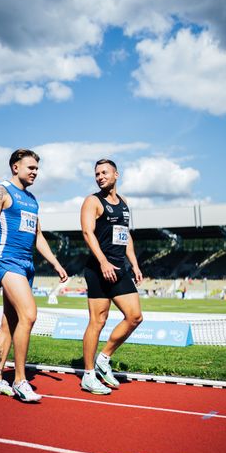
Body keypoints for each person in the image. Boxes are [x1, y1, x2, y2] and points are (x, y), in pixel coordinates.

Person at [0, 149, 68, 402]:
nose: (35, 172)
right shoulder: (0, 191)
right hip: (6, 261)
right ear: (15, 167)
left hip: (27, 265)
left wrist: (55, 263)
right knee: (29, 315)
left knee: (10, 323)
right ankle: (19, 380)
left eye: (37, 169)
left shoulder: (32, 199)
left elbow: (38, 236)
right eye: (31, 168)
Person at [80, 159, 143, 395]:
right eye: (97, 174)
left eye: (104, 172)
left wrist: (134, 264)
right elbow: (87, 232)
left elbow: (124, 235)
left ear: (116, 174)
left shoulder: (124, 203)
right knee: (98, 321)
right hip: (98, 269)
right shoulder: (93, 201)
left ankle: (103, 358)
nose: (100, 176)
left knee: (135, 316)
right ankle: (88, 375)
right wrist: (103, 261)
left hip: (119, 268)